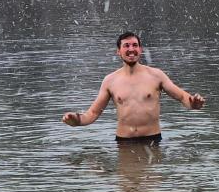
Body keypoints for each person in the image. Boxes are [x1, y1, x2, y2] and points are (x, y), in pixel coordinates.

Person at [62, 31, 206, 141]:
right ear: (118, 51)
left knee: (153, 180)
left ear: (140, 49)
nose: (131, 49)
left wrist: (194, 104)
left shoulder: (156, 75)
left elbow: (182, 97)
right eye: (126, 46)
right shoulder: (110, 80)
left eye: (135, 45)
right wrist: (77, 120)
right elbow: (93, 113)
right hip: (123, 142)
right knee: (125, 180)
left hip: (152, 140)